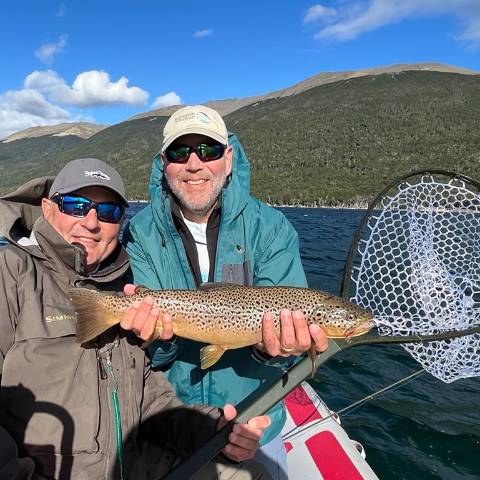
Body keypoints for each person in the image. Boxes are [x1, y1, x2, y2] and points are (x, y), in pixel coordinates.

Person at [0, 157, 272, 480]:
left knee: (253, 474)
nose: (91, 222)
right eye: (75, 205)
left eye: (108, 212)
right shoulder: (11, 273)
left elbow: (150, 403)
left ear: (121, 222)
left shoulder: (126, 291)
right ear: (47, 209)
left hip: (137, 467)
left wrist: (213, 430)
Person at [122, 105, 328, 480]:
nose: (194, 164)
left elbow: (284, 347)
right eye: (180, 152)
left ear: (228, 159)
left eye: (209, 150)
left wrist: (273, 349)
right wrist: (156, 339)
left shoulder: (271, 228)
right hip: (175, 420)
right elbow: (150, 355)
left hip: (255, 415)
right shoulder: (141, 233)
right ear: (164, 163)